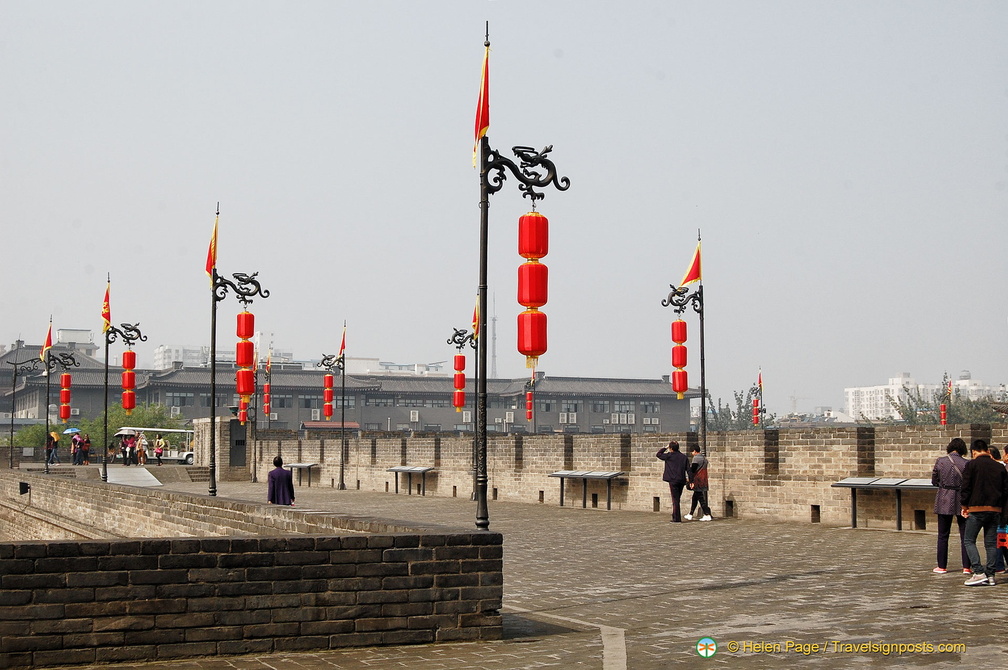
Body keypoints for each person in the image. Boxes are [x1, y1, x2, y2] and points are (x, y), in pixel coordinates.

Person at [960, 439, 1008, 586]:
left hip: (976, 509)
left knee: (969, 540)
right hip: (995, 510)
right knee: (991, 544)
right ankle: (991, 575)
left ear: (974, 452)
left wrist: (964, 506)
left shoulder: (971, 465)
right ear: (987, 450)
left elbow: (966, 487)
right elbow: (1006, 491)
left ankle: (978, 572)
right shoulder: (999, 467)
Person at [931, 437, 970, 574]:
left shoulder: (941, 461)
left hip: (944, 498)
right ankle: (967, 567)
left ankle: (942, 566)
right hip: (962, 499)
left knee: (943, 535)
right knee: (965, 535)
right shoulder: (967, 463)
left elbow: (934, 480)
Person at [656, 440, 690, 522]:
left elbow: (658, 454)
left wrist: (665, 447)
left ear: (671, 448)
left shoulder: (669, 456)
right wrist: (690, 480)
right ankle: (675, 515)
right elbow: (688, 470)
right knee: (677, 498)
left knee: (675, 499)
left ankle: (676, 518)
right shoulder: (684, 457)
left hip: (672, 480)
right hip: (681, 480)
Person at [685, 445, 712, 521]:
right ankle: (690, 514)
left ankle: (707, 514)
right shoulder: (704, 458)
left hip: (697, 480)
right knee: (695, 497)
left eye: (692, 451)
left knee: (700, 498)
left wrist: (689, 478)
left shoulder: (696, 458)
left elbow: (693, 469)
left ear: (694, 451)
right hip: (703, 479)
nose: (692, 453)